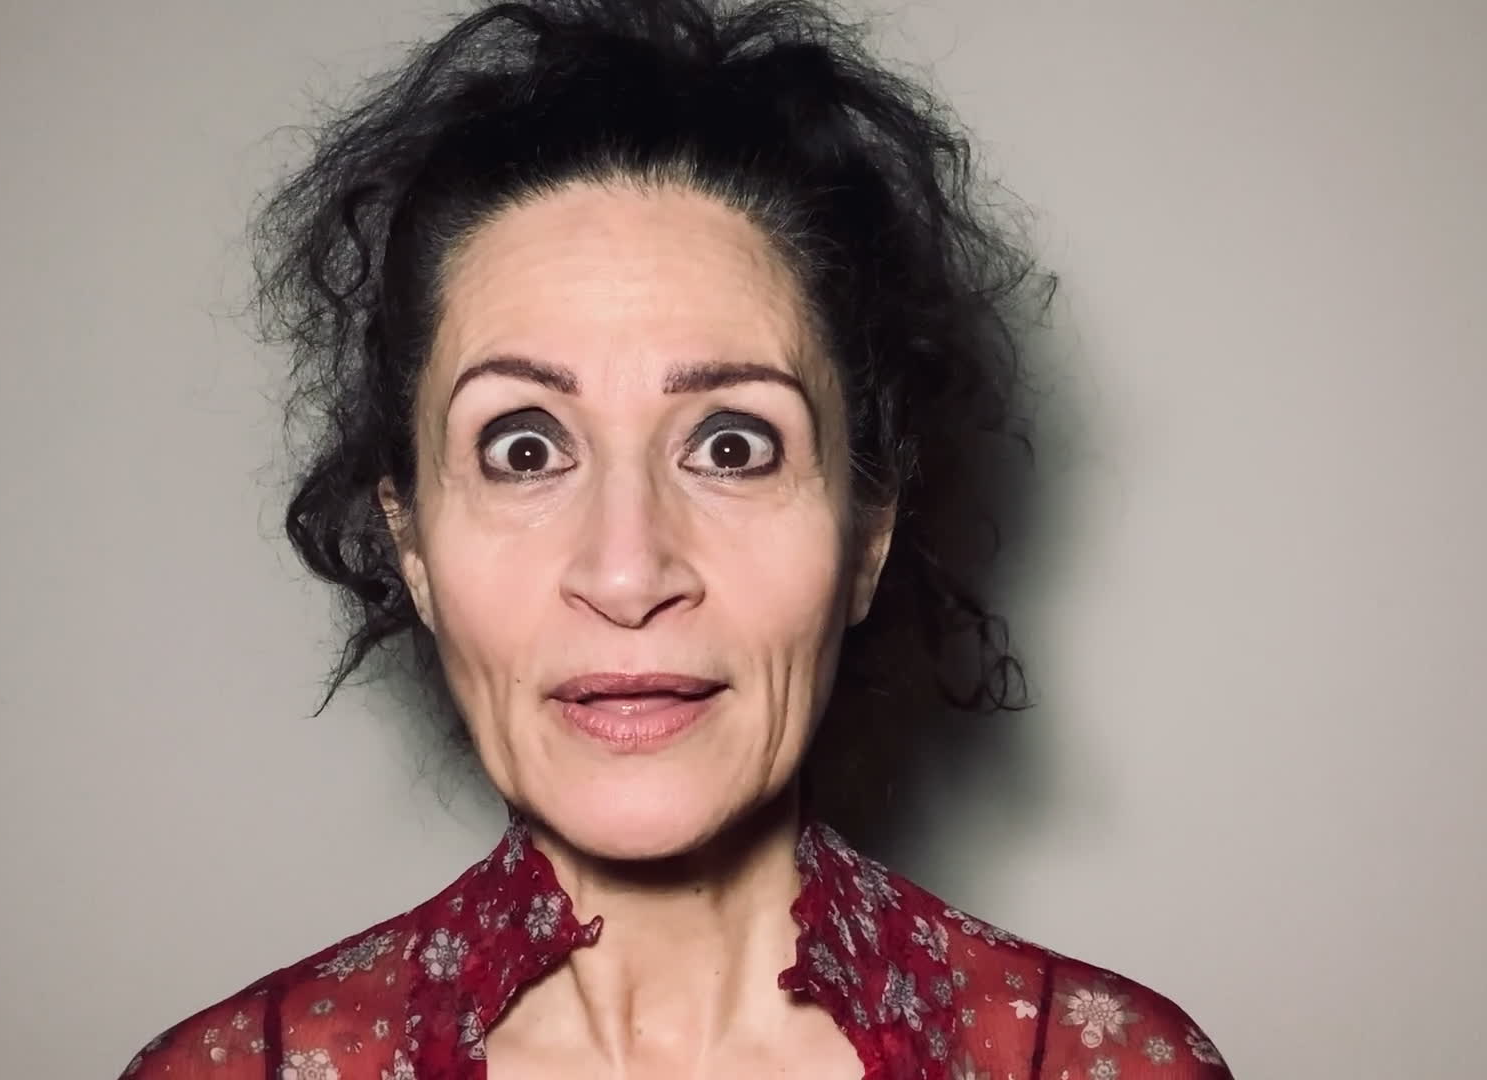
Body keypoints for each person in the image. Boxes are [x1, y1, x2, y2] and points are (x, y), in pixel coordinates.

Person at [122, 1, 1234, 1076]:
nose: (627, 571)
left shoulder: (1103, 1065)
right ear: (410, 545)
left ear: (866, 534)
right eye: (523, 448)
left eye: (733, 446)